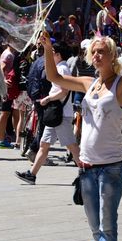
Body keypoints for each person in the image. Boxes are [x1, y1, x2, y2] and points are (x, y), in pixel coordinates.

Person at [34, 31, 122, 241]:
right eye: (94, 52)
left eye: (102, 52)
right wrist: (48, 49)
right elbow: (55, 78)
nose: (96, 56)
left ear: (112, 57)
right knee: (95, 227)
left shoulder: (120, 85)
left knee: (107, 225)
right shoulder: (88, 83)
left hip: (111, 167)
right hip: (86, 166)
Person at [16, 42, 79, 182]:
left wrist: (48, 98)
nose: (49, 55)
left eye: (52, 52)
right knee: (44, 144)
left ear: (58, 55)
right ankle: (31, 175)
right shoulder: (59, 68)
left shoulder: (62, 69)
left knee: (72, 146)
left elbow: (64, 91)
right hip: (55, 114)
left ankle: (87, 173)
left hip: (60, 114)